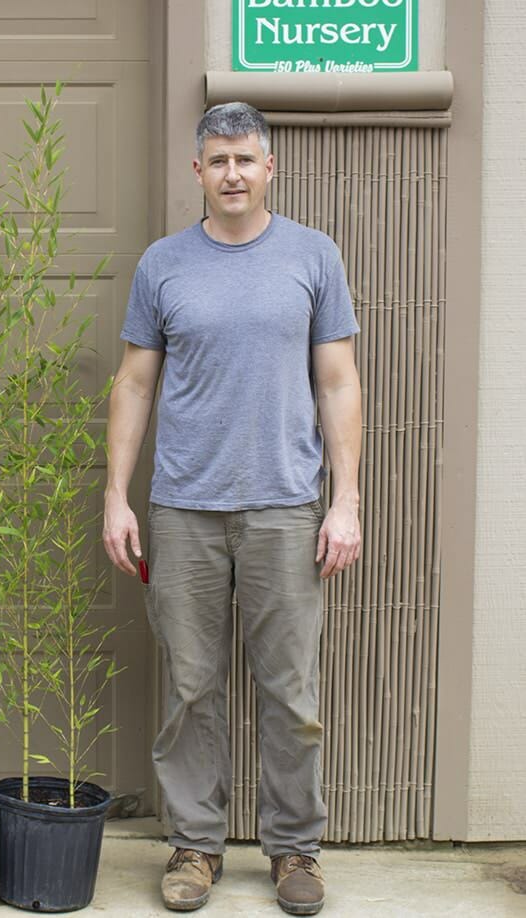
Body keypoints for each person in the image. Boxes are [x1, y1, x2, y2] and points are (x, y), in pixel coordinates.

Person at [102, 102, 362, 915]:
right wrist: (117, 494)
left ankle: (294, 852)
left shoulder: (313, 257)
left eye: (246, 160)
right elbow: (135, 383)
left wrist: (345, 499)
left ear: (269, 166)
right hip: (184, 507)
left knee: (290, 692)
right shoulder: (163, 265)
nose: (233, 174)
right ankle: (195, 846)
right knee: (189, 687)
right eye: (218, 161)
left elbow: (338, 382)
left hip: (287, 506)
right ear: (199, 171)